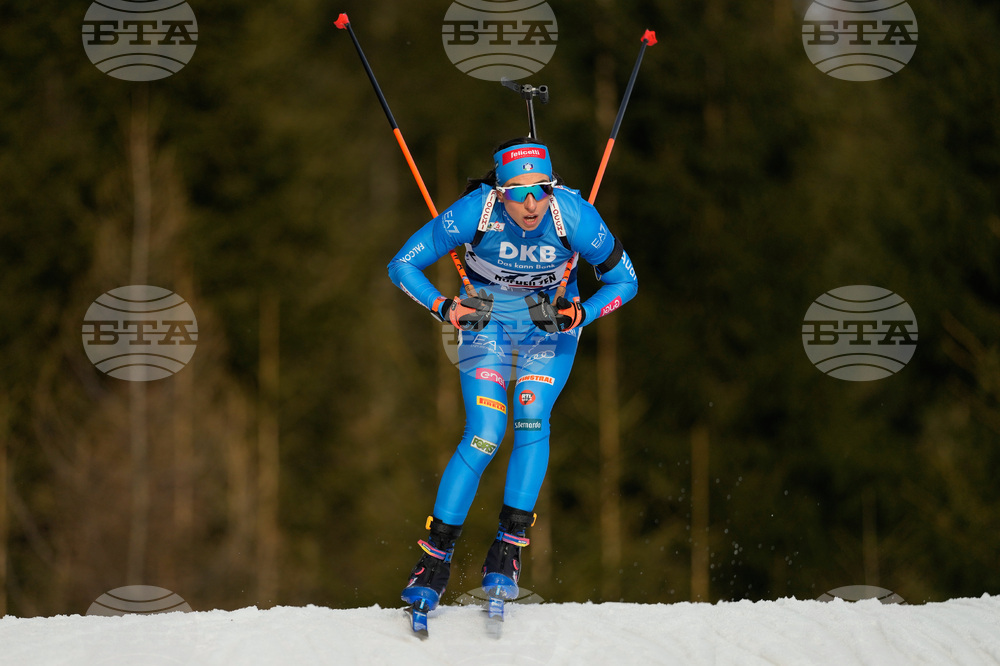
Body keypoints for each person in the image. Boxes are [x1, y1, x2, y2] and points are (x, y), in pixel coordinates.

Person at [387, 137, 638, 611]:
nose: (531, 204)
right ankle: (434, 561)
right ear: (500, 193)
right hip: (489, 324)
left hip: (549, 327)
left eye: (541, 190)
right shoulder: (474, 213)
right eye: (519, 193)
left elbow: (626, 281)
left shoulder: (576, 218)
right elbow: (401, 265)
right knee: (485, 433)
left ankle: (507, 551)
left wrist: (581, 313)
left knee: (530, 414)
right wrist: (445, 307)